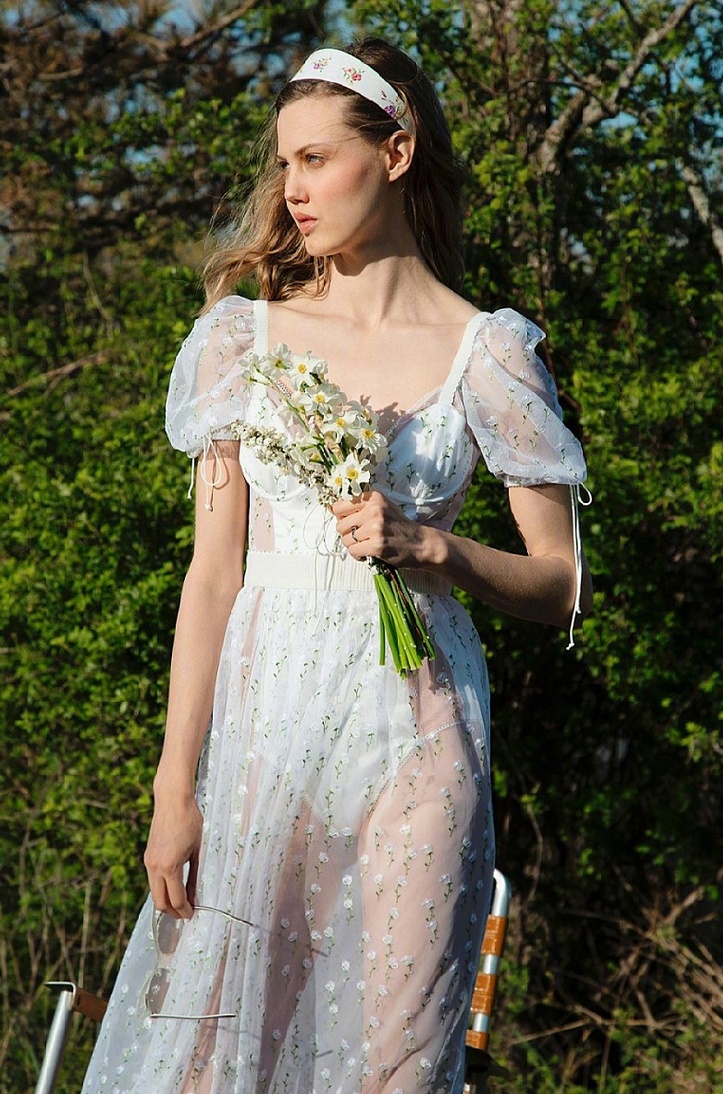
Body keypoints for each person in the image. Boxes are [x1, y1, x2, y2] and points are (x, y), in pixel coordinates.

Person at [81, 36, 590, 1094]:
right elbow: (211, 577)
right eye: (285, 164)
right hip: (264, 735)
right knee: (220, 1050)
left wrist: (434, 547)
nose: (293, 190)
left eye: (316, 159)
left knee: (396, 1061)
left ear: (394, 154)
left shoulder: (489, 351)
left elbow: (561, 586)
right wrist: (175, 787)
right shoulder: (239, 341)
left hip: (420, 736)